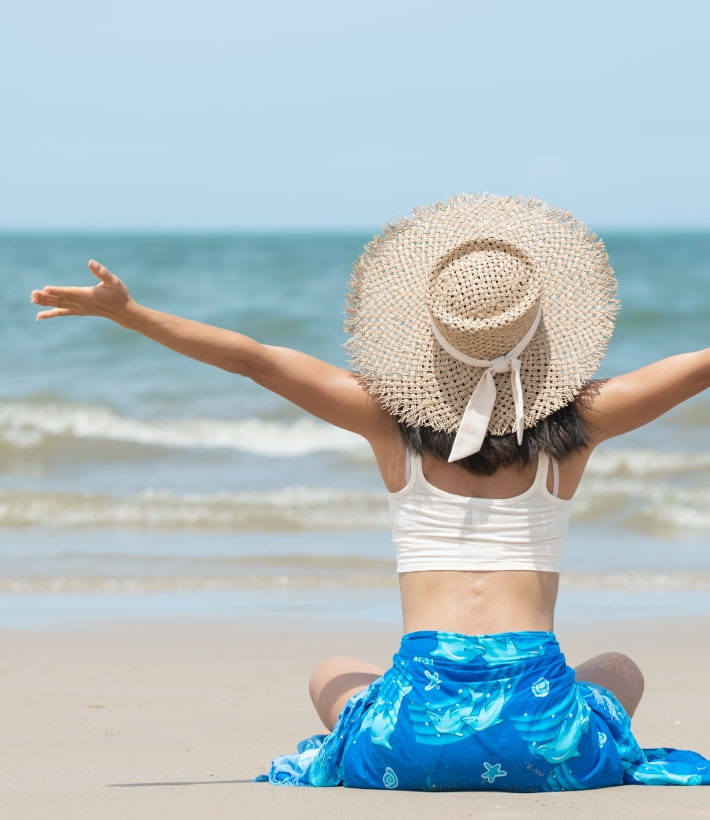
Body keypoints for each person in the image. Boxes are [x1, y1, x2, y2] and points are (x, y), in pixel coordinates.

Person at [30, 193, 710, 791]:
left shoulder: (391, 423)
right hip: (542, 738)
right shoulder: (579, 428)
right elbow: (697, 369)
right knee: (619, 668)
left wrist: (132, 314)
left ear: (432, 341)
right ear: (540, 333)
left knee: (331, 670)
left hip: (408, 742)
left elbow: (252, 358)